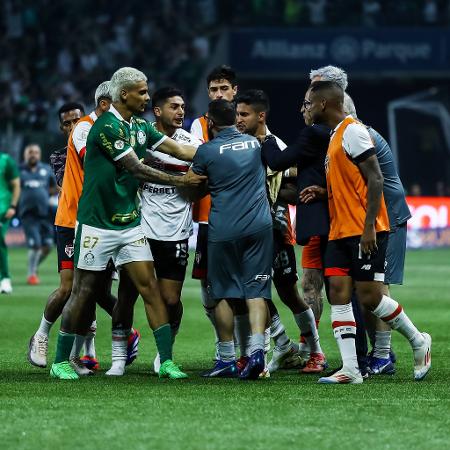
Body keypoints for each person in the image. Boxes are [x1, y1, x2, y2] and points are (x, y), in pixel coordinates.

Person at [49, 67, 206, 380]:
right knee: (85, 292)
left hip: (130, 225)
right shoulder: (106, 127)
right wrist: (181, 180)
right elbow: (137, 169)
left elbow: (179, 149)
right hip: (96, 224)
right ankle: (60, 361)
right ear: (124, 95)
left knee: (149, 288)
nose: (147, 97)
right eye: (142, 92)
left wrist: (219, 153)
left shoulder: (139, 126)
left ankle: (168, 361)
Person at [301, 81, 431, 384]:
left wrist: (370, 225)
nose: (304, 108)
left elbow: (375, 178)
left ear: (323, 104)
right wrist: (325, 191)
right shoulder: (335, 136)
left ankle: (417, 340)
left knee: (370, 297)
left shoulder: (353, 131)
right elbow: (352, 180)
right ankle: (351, 369)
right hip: (339, 230)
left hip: (363, 230)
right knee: (338, 294)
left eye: (308, 102)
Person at [28, 83, 119, 372]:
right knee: (69, 288)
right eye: (66, 124)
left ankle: (81, 354)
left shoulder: (102, 144)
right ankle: (41, 334)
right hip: (70, 223)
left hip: (101, 224)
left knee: (93, 291)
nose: (71, 127)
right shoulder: (60, 156)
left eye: (75, 121)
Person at [236, 89, 325, 374]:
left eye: (244, 114)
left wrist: (275, 193)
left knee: (288, 293)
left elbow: (296, 181)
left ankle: (315, 351)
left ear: (260, 116)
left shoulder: (275, 144)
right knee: (252, 290)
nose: (239, 120)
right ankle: (280, 345)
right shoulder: (236, 144)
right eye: (237, 114)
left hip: (275, 229)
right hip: (246, 230)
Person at [192, 99, 273, 380]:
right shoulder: (255, 144)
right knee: (257, 289)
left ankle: (226, 359)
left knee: (223, 292)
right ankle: (257, 352)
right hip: (260, 227)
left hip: (224, 229)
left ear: (210, 123)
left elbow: (192, 189)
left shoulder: (206, 151)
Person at [343, 93, 412, 375]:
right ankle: (381, 352)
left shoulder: (360, 135)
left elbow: (374, 180)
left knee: (377, 287)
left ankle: (384, 354)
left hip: (388, 218)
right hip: (374, 218)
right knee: (366, 289)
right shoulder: (352, 134)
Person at [140, 86, 202, 372]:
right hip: (140, 229)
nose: (180, 112)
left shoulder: (191, 144)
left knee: (170, 299)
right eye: (174, 107)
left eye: (182, 107)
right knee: (132, 293)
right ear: (157, 110)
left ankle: (166, 346)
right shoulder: (142, 138)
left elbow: (195, 189)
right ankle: (118, 357)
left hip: (175, 230)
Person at [190, 65, 238, 359]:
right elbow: (199, 162)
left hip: (246, 217)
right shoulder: (198, 125)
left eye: (224, 88)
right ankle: (226, 351)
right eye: (213, 90)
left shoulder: (247, 119)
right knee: (209, 288)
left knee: (251, 287)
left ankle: (263, 347)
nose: (218, 94)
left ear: (235, 91)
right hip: (209, 218)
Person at [19, 144, 57, 285]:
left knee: (47, 246)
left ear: (39, 155)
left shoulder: (46, 170)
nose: (33, 154)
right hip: (28, 214)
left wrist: (48, 196)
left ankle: (33, 267)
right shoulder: (19, 170)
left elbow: (55, 187)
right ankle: (32, 274)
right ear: (25, 155)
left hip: (45, 213)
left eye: (36, 152)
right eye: (30, 152)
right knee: (35, 245)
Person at [49, 102, 85, 187]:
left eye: (77, 121)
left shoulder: (102, 147)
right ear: (62, 129)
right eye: (67, 124)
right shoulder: (58, 156)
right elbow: (66, 184)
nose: (72, 127)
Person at [0, 152, 20, 293]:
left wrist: (13, 206)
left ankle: (5, 278)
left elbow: (16, 184)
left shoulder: (5, 160)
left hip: (2, 209)